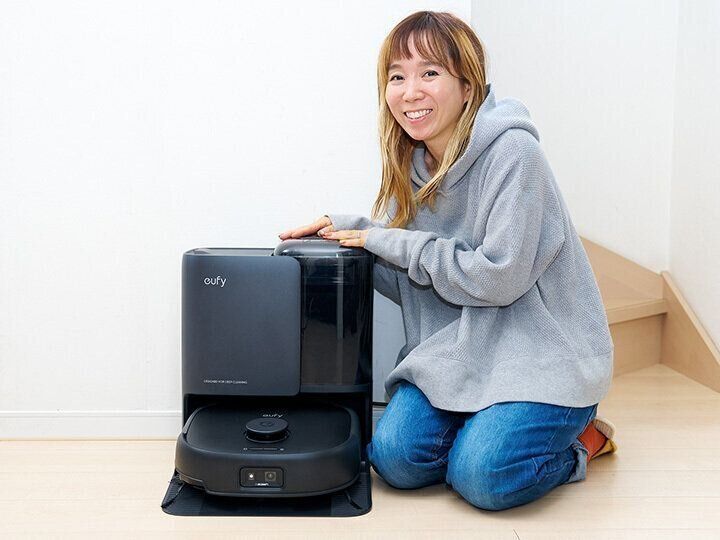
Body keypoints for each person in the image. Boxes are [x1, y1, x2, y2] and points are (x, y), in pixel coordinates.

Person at [278, 10, 618, 511]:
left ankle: (582, 441)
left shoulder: (515, 153)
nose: (409, 92)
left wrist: (384, 239)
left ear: (467, 87)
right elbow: (410, 277)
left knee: (483, 478)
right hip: (459, 356)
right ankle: (482, 425)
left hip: (538, 358)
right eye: (397, 76)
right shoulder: (412, 166)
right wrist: (346, 239)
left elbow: (497, 278)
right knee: (394, 461)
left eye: (430, 72)